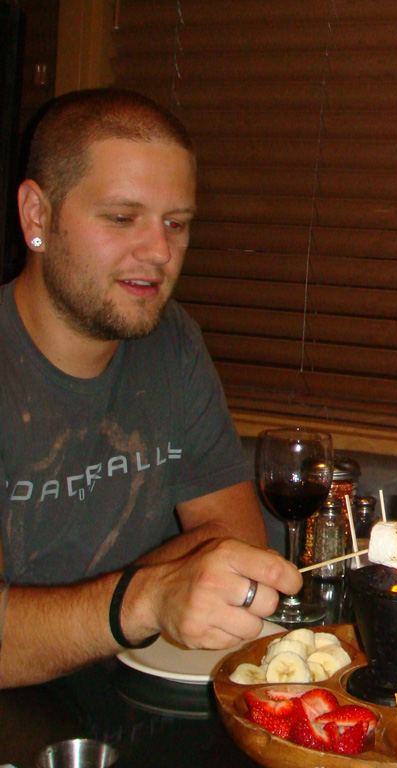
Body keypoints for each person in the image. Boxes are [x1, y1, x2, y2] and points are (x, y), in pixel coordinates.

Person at [0, 88, 302, 688]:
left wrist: (70, 614)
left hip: (132, 696)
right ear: (37, 217)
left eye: (176, 224)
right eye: (121, 218)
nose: (160, 251)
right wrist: (143, 599)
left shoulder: (171, 340)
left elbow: (236, 542)